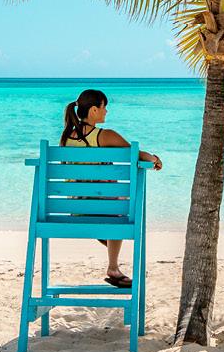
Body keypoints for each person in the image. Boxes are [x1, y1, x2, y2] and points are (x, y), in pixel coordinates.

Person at [60, 88, 162, 289]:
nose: (106, 111)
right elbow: (134, 153)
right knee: (120, 210)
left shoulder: (65, 138)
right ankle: (113, 267)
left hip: (76, 209)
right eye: (104, 107)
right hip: (107, 211)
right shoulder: (104, 136)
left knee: (111, 207)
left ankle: (112, 247)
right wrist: (154, 159)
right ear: (93, 111)